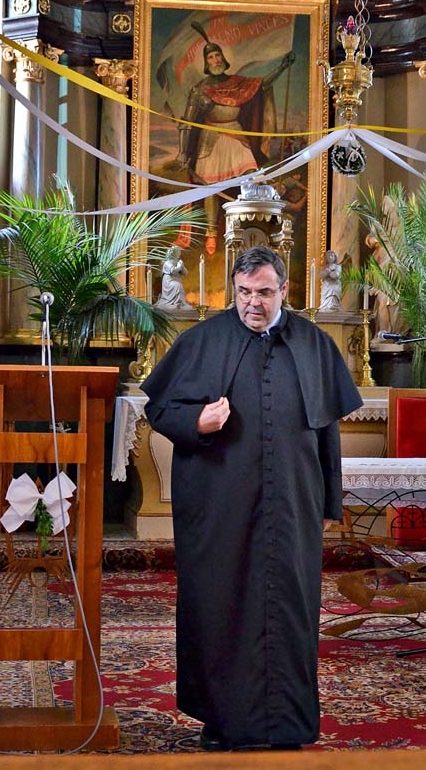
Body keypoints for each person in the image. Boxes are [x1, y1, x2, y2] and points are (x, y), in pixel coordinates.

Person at [141, 246, 362, 751]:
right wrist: (196, 421)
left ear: (284, 290)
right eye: (243, 293)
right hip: (218, 505)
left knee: (291, 610)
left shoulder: (315, 344)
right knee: (220, 606)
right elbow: (160, 409)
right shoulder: (202, 340)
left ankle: (288, 725)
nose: (252, 303)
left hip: (292, 504)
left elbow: (326, 431)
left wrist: (329, 504)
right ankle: (222, 722)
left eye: (263, 292)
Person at [178, 23, 295, 255]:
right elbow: (187, 123)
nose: (215, 60)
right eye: (210, 57)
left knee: (251, 176)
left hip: (236, 133)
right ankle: (211, 234)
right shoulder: (199, 90)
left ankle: (252, 229)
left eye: (217, 55)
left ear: (222, 58)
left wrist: (282, 67)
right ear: (206, 62)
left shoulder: (237, 83)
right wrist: (182, 151)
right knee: (211, 188)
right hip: (210, 139)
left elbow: (262, 85)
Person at [155, 246, 192, 311]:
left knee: (179, 286)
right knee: (177, 286)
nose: (179, 253)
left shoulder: (178, 262)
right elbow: (173, 271)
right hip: (169, 281)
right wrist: (179, 266)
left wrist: (182, 267)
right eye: (178, 252)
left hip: (176, 280)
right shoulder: (167, 262)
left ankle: (180, 303)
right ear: (174, 253)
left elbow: (186, 273)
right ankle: (172, 303)